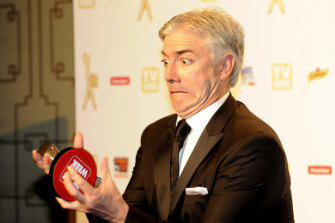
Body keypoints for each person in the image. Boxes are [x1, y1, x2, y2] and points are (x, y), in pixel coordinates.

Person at [33, 7, 294, 223]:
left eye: (185, 60)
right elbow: (131, 217)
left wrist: (120, 213)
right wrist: (90, 192)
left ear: (224, 66)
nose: (169, 74)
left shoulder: (253, 145)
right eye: (166, 61)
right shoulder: (155, 135)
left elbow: (126, 217)